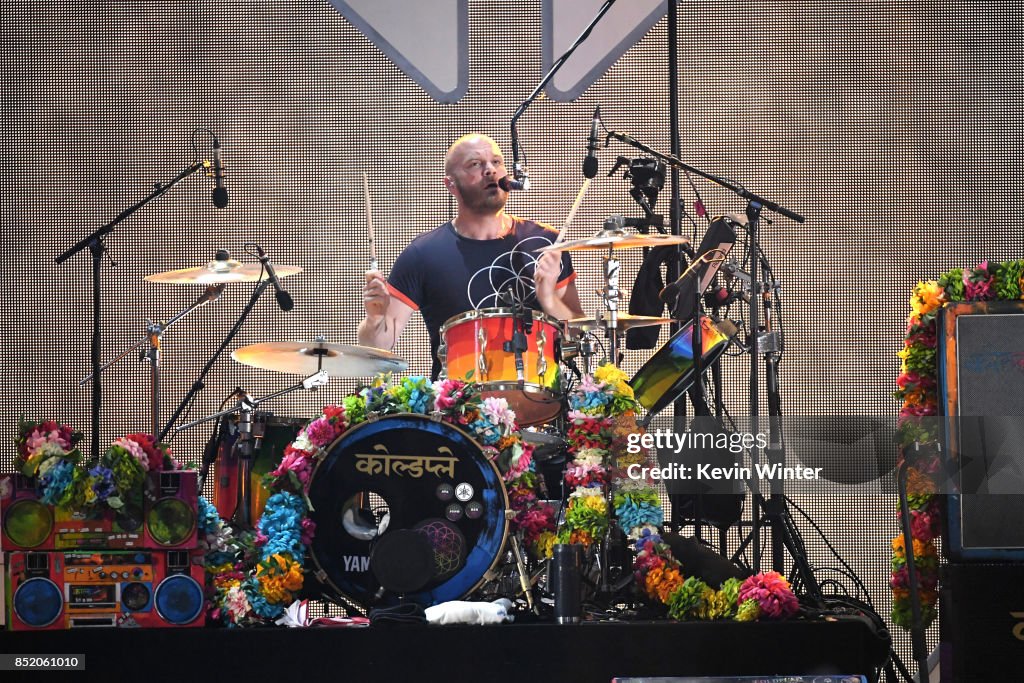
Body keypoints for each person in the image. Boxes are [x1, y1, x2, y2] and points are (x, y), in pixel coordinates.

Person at [358, 133, 585, 379]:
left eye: (497, 162)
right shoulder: (423, 254)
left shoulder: (546, 242)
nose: (490, 170)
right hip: (457, 410)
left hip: (541, 405)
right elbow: (379, 348)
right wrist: (375, 317)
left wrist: (549, 300)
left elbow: (577, 338)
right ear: (450, 184)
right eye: (475, 164)